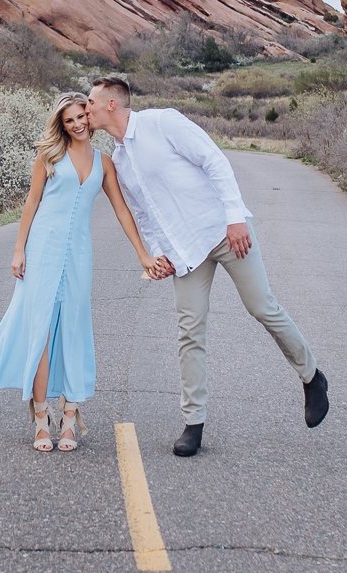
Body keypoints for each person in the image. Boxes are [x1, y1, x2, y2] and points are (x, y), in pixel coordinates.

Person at [85, 75, 328, 457]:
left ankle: (312, 377)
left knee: (262, 306)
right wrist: (158, 253)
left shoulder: (162, 122)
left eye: (91, 102)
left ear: (111, 104)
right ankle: (193, 423)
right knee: (189, 331)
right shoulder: (119, 161)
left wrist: (235, 217)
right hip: (184, 251)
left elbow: (213, 159)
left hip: (223, 231)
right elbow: (146, 214)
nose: (87, 108)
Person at [0, 92, 157, 451]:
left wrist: (142, 253)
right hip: (42, 248)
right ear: (61, 124)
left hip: (78, 254)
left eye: (81, 117)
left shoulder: (105, 162)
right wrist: (18, 249)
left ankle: (70, 420)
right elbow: (33, 201)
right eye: (69, 120)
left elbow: (121, 209)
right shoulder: (49, 156)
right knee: (41, 331)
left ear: (90, 118)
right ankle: (42, 421)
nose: (77, 124)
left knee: (73, 330)